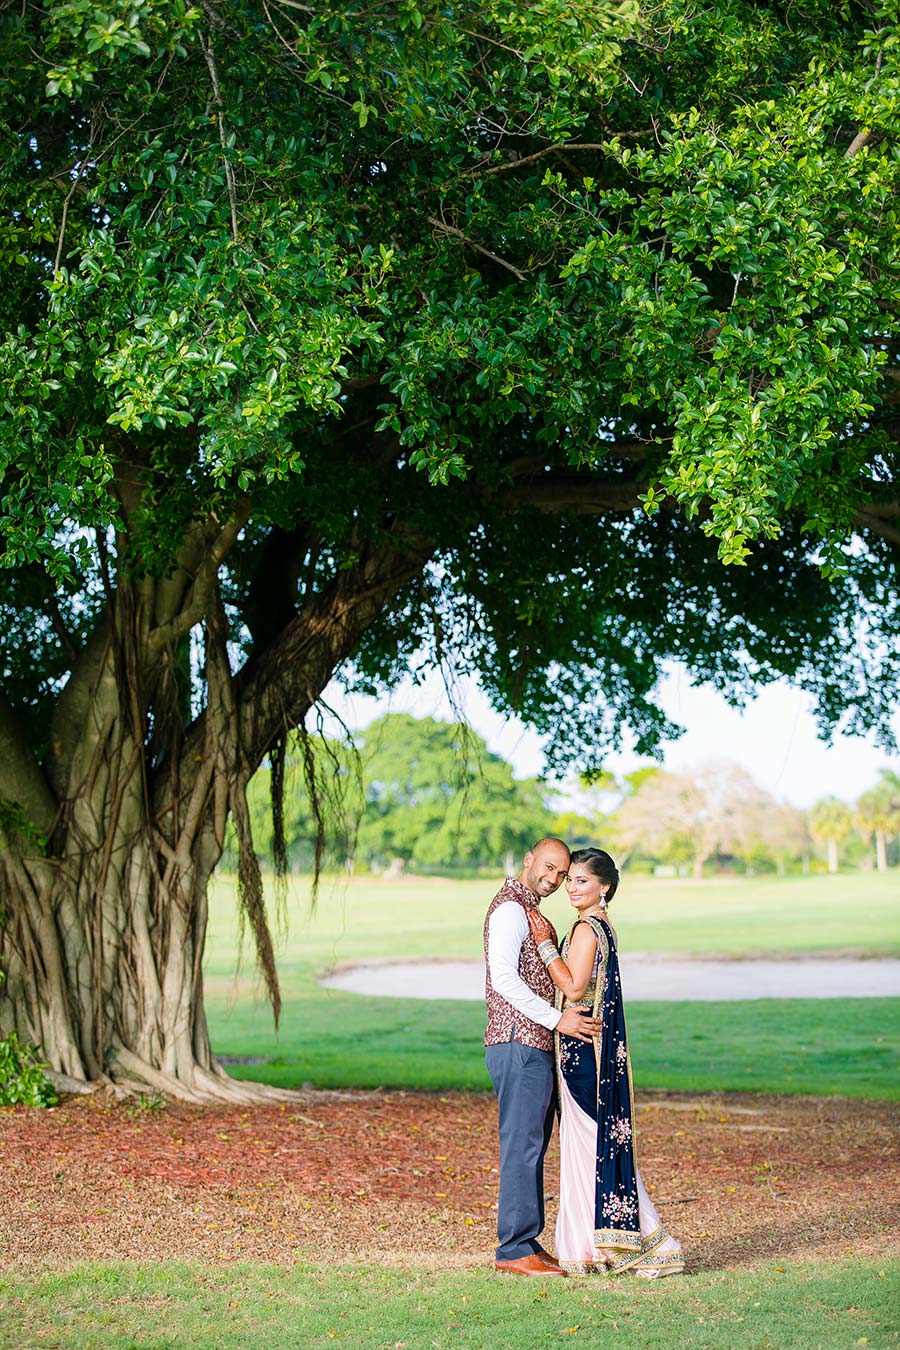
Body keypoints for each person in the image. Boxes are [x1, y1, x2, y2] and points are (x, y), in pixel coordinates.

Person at [527, 847, 685, 1278]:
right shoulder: (604, 926)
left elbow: (575, 989)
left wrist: (544, 946)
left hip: (582, 1051)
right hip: (593, 1049)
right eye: (570, 880)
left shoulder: (585, 929)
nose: (572, 888)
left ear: (605, 886)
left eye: (582, 881)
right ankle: (593, 1247)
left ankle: (645, 1244)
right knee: (589, 1147)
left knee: (587, 1147)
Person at [483, 838, 604, 1278]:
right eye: (548, 868)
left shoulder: (529, 910)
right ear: (529, 859)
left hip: (532, 1045)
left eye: (562, 873)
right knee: (522, 1145)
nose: (553, 879)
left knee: (532, 1145)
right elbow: (504, 981)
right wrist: (559, 1021)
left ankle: (527, 1241)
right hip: (517, 1043)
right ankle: (514, 1249)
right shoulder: (511, 911)